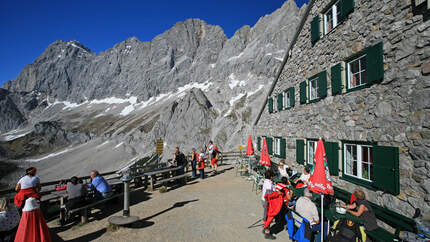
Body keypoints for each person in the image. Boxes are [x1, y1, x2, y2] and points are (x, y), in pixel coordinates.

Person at [262, 170, 276, 239]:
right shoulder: (268, 184)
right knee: (268, 217)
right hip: (267, 202)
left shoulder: (267, 181)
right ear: (271, 177)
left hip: (264, 200)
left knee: (266, 216)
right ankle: (267, 232)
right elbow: (269, 194)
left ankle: (265, 228)